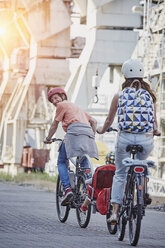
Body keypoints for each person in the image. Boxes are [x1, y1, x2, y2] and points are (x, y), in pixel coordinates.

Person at [97, 58, 161, 224]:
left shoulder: (119, 95)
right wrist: (156, 131)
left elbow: (109, 120)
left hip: (125, 138)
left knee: (120, 174)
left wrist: (101, 130)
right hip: (146, 139)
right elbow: (154, 121)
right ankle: (144, 190)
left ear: (125, 75)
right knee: (142, 164)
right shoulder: (149, 95)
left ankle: (115, 213)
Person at [44, 87, 98, 206]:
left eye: (56, 97)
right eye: (52, 100)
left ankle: (67, 189)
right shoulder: (77, 108)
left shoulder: (61, 105)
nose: (54, 101)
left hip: (73, 133)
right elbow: (94, 121)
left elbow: (54, 124)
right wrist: (91, 137)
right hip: (88, 134)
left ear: (63, 97)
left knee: (61, 161)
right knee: (84, 163)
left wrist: (48, 138)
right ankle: (88, 189)